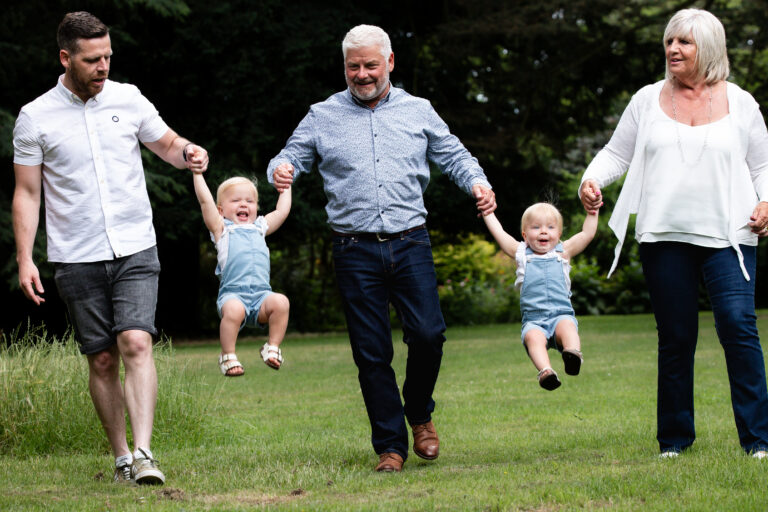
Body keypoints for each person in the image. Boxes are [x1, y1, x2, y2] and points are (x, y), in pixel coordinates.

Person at [267, 24, 496, 472]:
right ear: (345, 67)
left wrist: (477, 181)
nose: (363, 74)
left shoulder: (418, 110)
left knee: (429, 334)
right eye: (354, 66)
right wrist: (283, 168)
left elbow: (453, 154)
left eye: (371, 65)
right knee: (371, 351)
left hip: (411, 241)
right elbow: (289, 154)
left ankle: (419, 412)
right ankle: (390, 446)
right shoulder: (323, 114)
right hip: (353, 249)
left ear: (390, 62)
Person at [12, 11, 209, 484]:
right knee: (101, 357)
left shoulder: (128, 98)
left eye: (108, 57)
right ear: (66, 57)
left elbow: (166, 143)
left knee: (137, 341)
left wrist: (187, 152)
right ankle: (121, 455)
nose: (103, 67)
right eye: (92, 59)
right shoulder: (35, 116)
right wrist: (25, 258)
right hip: (75, 254)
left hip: (137, 245)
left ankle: (145, 453)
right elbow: (27, 193)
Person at [580, 8, 768, 459]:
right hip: (664, 237)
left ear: (708, 48)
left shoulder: (741, 102)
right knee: (677, 337)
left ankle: (759, 439)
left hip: (729, 238)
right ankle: (675, 441)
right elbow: (615, 153)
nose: (672, 50)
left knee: (739, 328)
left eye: (683, 42)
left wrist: (766, 202)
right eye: (669, 42)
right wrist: (591, 179)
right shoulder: (647, 99)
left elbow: (762, 166)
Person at [483, 204, 597, 390]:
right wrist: (488, 213)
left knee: (568, 328)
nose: (543, 232)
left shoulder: (563, 252)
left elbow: (587, 234)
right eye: (536, 227)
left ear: (559, 233)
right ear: (525, 235)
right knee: (533, 338)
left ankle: (572, 354)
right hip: (534, 321)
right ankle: (546, 372)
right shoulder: (521, 254)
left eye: (550, 227)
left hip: (561, 314)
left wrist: (593, 212)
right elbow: (500, 233)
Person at [192, 173, 291, 376]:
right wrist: (197, 174)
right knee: (235, 310)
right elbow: (205, 201)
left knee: (281, 302)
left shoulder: (260, 227)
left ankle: (272, 347)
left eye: (249, 201)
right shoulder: (222, 230)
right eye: (236, 200)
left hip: (262, 296)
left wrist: (287, 185)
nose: (243, 204)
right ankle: (227, 354)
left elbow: (281, 211)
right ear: (221, 210)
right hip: (233, 295)